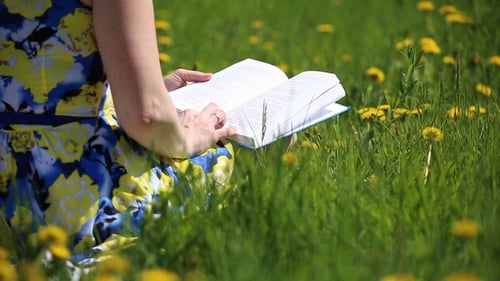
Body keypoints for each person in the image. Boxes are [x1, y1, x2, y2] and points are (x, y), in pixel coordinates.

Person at [0, 0, 236, 262]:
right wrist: (189, 136)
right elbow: (147, 118)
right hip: (49, 182)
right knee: (213, 155)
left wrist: (137, 88)